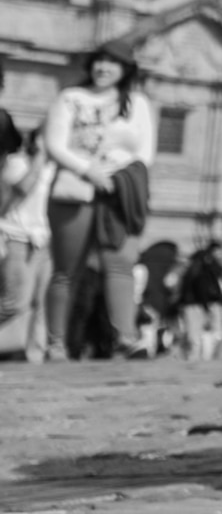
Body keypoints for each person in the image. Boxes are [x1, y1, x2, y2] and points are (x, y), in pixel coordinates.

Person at [40, 46, 153, 359]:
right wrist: (88, 170)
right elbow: (54, 144)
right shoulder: (70, 98)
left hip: (119, 195)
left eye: (113, 62)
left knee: (121, 264)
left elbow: (145, 151)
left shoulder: (137, 104)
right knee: (67, 269)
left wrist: (119, 178)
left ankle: (126, 338)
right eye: (100, 61)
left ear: (125, 69)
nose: (104, 67)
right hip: (75, 191)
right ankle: (56, 343)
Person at [0, 111, 46, 360]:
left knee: (39, 305)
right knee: (15, 302)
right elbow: (23, 188)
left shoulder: (51, 167)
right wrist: (40, 158)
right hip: (15, 238)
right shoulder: (16, 162)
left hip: (42, 241)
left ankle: (35, 357)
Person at [175, 238, 222, 359]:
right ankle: (199, 358)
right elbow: (202, 288)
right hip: (199, 304)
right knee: (198, 335)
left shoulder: (193, 269)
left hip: (192, 304)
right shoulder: (206, 268)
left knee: (194, 334)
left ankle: (194, 358)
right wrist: (206, 305)